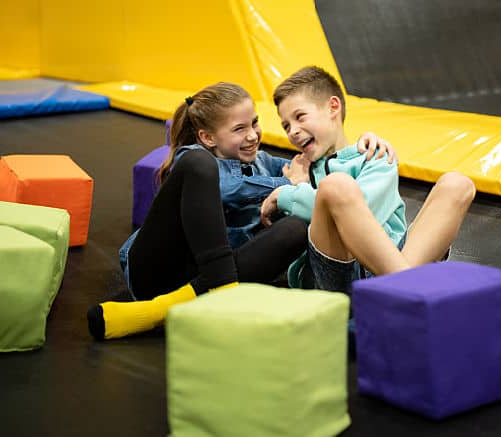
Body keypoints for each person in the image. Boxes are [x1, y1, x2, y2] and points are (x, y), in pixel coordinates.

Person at [88, 82, 395, 340]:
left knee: (297, 227)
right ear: (208, 138)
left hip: (202, 284)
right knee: (207, 169)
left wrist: (360, 145)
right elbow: (229, 188)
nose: (252, 135)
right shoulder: (192, 159)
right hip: (156, 271)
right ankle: (215, 290)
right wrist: (282, 186)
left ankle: (177, 307)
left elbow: (314, 171)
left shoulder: (261, 161)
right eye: (239, 129)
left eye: (255, 123)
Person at [260, 66, 476, 294]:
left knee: (457, 184)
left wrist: (289, 194)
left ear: (333, 107)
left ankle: (398, 287)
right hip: (335, 271)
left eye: (300, 117)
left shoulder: (374, 156)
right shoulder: (296, 170)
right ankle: (406, 286)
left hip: (393, 258)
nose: (292, 131)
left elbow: (365, 212)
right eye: (286, 126)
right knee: (335, 186)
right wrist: (295, 186)